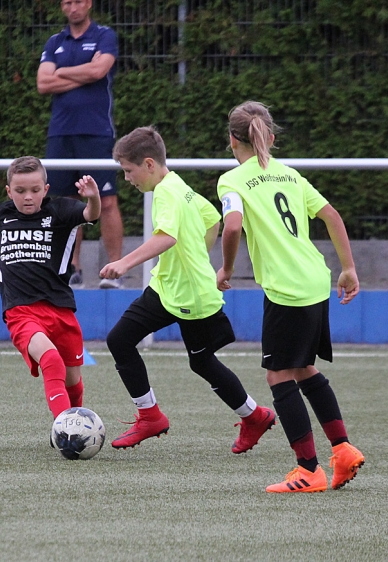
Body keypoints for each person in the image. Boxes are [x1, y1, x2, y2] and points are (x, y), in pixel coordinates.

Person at [216, 101, 364, 494]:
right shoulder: (291, 175)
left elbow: (232, 227)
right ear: (270, 138)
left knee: (278, 375)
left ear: (232, 140)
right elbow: (332, 215)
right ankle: (343, 450)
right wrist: (348, 268)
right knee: (302, 368)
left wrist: (226, 269)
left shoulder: (232, 181)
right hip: (315, 279)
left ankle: (309, 470)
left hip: (287, 289)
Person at [99, 127, 276, 452]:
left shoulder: (166, 193)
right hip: (170, 287)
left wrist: (124, 263)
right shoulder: (180, 186)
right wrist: (195, 256)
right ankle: (152, 416)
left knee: (199, 361)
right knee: (123, 341)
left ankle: (253, 416)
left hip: (188, 295)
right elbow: (212, 219)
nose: (127, 179)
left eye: (128, 170)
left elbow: (167, 237)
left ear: (149, 164)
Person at [0, 152, 100, 422]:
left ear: (45, 189)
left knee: (73, 380)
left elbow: (90, 214)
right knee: (51, 360)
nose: (28, 197)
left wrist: (93, 197)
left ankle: (75, 423)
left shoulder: (60, 211)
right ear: (9, 191)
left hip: (60, 309)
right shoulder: (5, 214)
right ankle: (65, 426)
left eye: (35, 190)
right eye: (20, 191)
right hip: (21, 311)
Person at [37, 0, 124, 288]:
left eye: (78, 1)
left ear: (88, 4)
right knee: (67, 204)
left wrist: (62, 72)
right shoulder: (55, 41)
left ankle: (115, 270)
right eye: (67, 2)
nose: (73, 7)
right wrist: (84, 71)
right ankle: (72, 268)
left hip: (96, 132)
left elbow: (99, 72)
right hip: (60, 134)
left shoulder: (104, 36)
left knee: (107, 201)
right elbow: (43, 83)